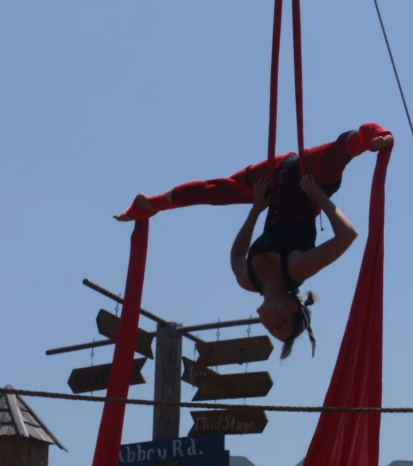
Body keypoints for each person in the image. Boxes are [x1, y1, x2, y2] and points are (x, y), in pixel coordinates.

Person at [114, 122, 393, 358]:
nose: (270, 325)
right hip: (312, 177)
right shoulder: (297, 269)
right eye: (280, 326)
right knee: (340, 151)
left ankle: (149, 204)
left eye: (270, 329)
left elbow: (236, 255)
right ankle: (373, 137)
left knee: (212, 192)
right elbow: (348, 236)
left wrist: (256, 210)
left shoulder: (249, 280)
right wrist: (318, 195)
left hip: (270, 186)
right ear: (292, 307)